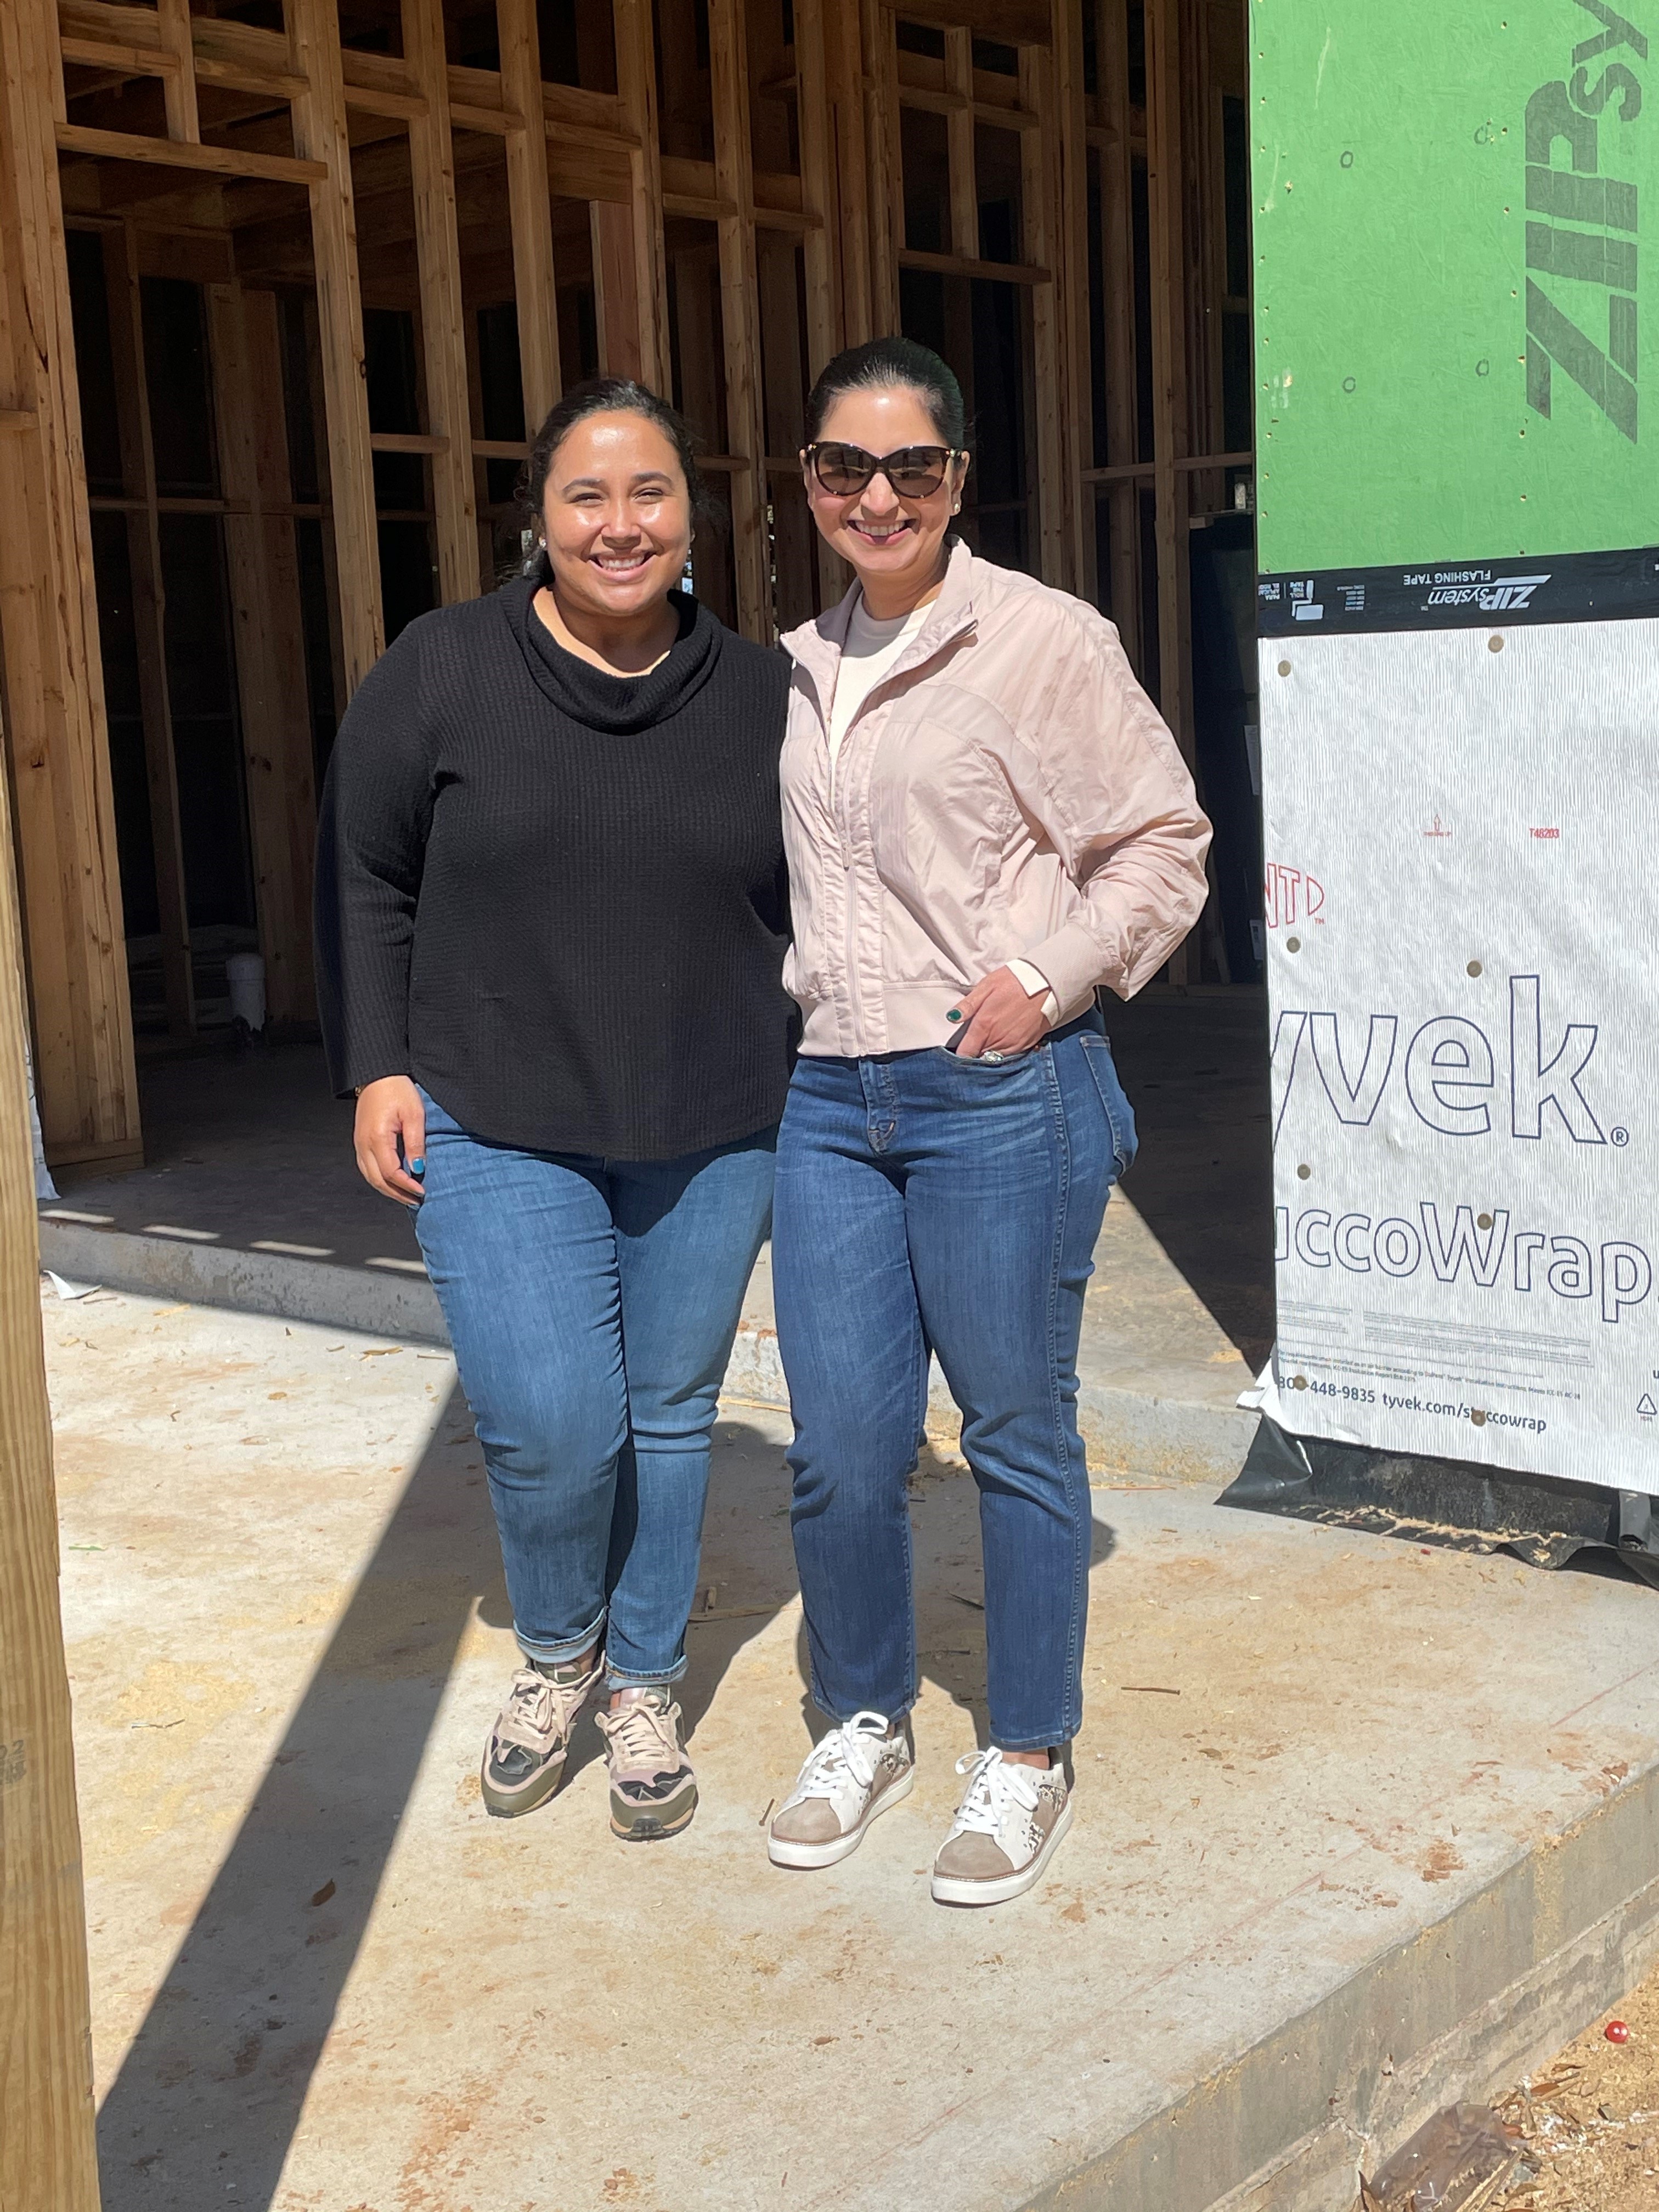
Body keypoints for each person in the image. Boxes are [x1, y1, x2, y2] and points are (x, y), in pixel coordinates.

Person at [764, 336, 1211, 1905]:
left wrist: (1049, 973)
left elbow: (1162, 841)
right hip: (829, 1093)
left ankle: (1026, 1747)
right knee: (840, 1446)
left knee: (1014, 1428)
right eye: (843, 468)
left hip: (996, 1090)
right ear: (808, 482)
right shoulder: (797, 660)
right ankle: (864, 1715)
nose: (876, 496)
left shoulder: (1041, 642)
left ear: (961, 479)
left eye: (912, 468)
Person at [314, 379, 793, 1843]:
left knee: (663, 1413)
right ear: (538, 517)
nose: (619, 523)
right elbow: (367, 869)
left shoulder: (770, 697)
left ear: (693, 515)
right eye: (587, 495)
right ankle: (556, 1651)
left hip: (710, 1115)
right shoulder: (442, 670)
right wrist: (377, 1062)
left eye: (649, 490)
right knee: (548, 1423)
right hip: (496, 1106)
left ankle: (641, 1680)